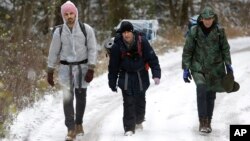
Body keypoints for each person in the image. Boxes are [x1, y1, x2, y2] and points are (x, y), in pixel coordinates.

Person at [47, 1, 97, 140]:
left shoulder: (86, 29)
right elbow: (53, 51)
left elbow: (92, 49)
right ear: (63, 16)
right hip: (65, 69)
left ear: (76, 13)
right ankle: (70, 129)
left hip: (82, 68)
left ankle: (79, 123)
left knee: (81, 98)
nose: (69, 16)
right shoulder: (59, 31)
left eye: (71, 13)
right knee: (67, 99)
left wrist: (91, 68)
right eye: (66, 14)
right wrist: (50, 70)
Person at [182, 6, 237, 134]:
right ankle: (202, 121)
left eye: (210, 19)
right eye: (205, 19)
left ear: (213, 19)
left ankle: (208, 122)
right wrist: (186, 68)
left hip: (215, 68)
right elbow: (187, 51)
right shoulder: (194, 31)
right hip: (198, 67)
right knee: (201, 88)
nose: (207, 21)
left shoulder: (219, 31)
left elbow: (225, 49)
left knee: (211, 94)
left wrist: (228, 64)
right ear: (201, 19)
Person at [108, 21, 161, 136]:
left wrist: (156, 74)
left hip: (141, 76)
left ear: (132, 32)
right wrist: (112, 82)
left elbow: (152, 58)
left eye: (128, 32)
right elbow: (113, 66)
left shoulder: (142, 42)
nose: (126, 35)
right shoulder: (117, 46)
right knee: (128, 102)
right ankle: (129, 128)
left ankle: (139, 121)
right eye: (124, 32)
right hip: (125, 76)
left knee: (140, 100)